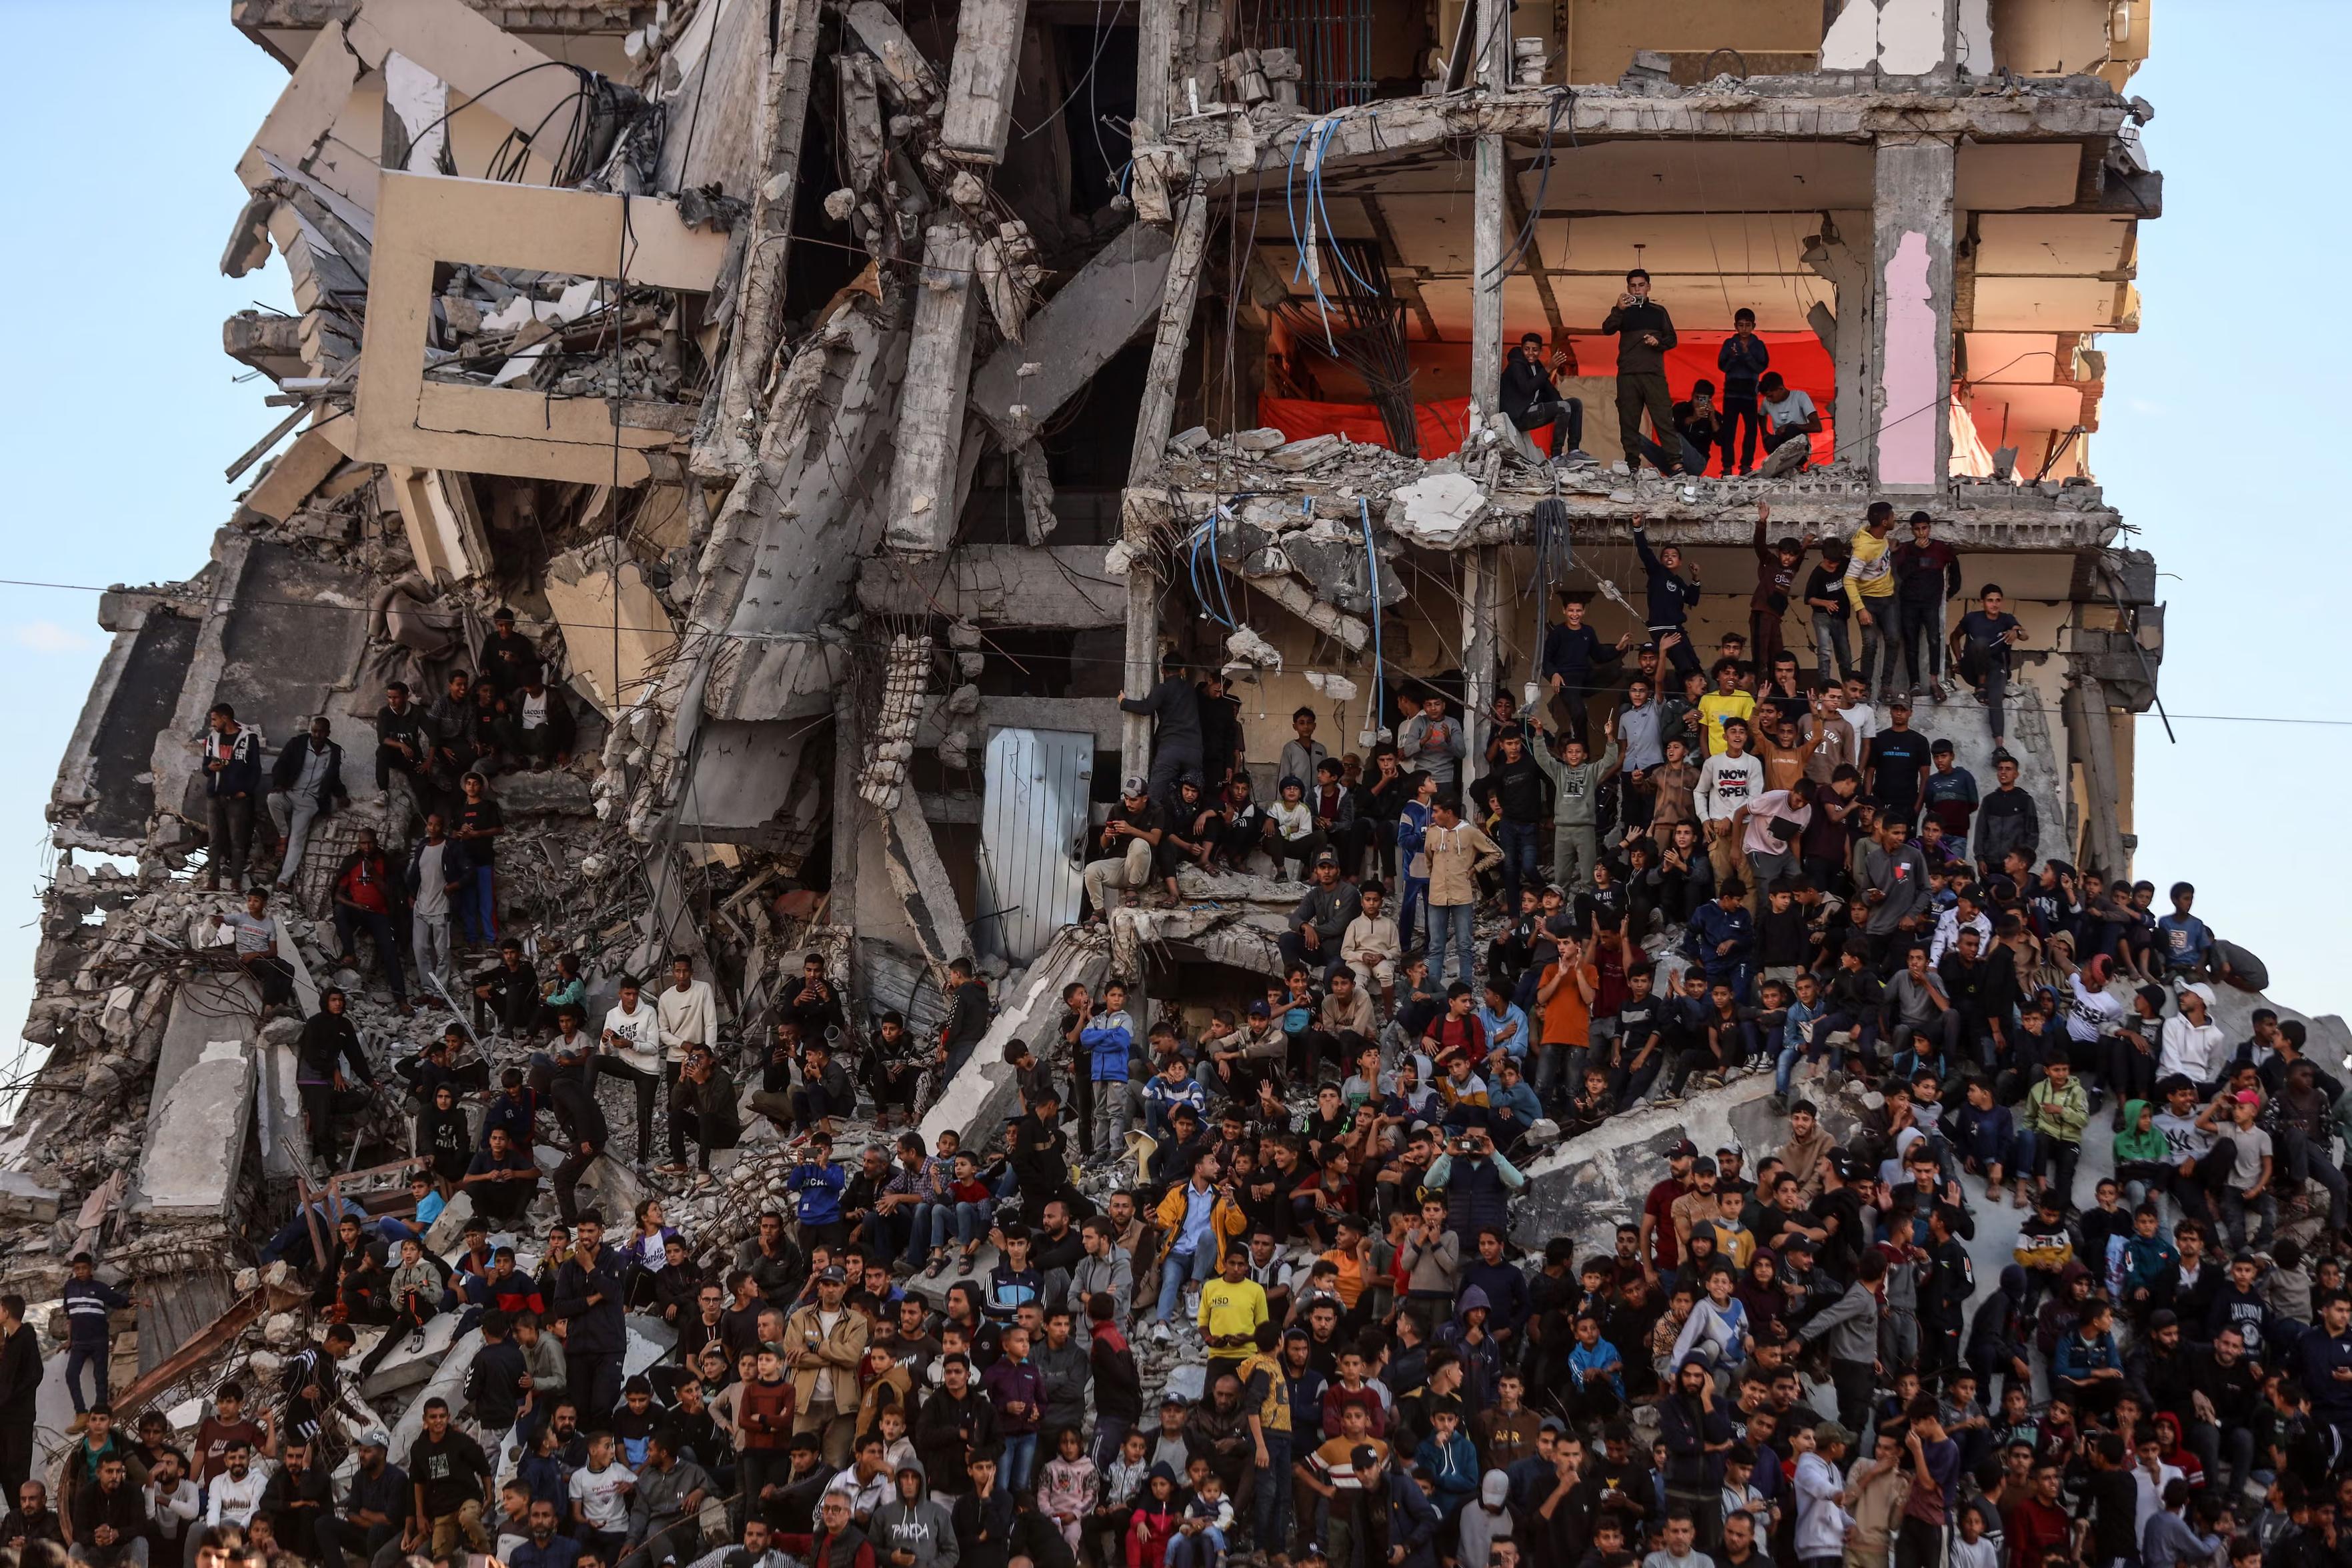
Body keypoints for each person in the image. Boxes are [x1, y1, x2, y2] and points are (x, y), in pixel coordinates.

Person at [1600, 269, 1680, 475]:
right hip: (1627, 374)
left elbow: (1672, 339)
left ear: (1649, 287)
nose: (1637, 289)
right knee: (1628, 421)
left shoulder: (1658, 311)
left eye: (1641, 285)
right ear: (1628, 288)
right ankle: (1632, 464)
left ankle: (1676, 464)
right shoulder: (1622, 311)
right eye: (1633, 286)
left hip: (1653, 374)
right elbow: (1607, 329)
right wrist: (1618, 308)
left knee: (1663, 418)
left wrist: (1658, 342)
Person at [1120, 655, 1205, 813]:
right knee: (1193, 793)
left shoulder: (1163, 689)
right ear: (1182, 670)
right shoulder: (1190, 690)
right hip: (1194, 750)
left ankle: (1149, 832)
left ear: (1162, 670)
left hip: (1170, 750)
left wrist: (1123, 702)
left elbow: (1146, 708)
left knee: (1155, 797)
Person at [1951, 585, 2027, 751]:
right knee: (1980, 643)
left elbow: (2025, 635)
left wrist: (2017, 632)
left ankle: (1999, 746)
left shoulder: (2007, 619)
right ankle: (1981, 686)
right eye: (1990, 600)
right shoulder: (1972, 619)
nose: (1994, 604)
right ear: (1982, 602)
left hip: (1996, 668)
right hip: (1972, 670)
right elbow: (1954, 636)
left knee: (1996, 698)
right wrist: (1959, 660)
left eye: (1998, 600)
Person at [1632, 516, 1704, 684]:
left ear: (1680, 562)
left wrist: (1696, 578)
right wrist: (1637, 528)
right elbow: (1645, 552)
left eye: (1673, 555)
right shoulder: (1657, 573)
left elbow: (1692, 600)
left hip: (1677, 629)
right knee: (1684, 667)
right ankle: (1684, 700)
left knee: (1695, 665)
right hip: (1663, 629)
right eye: (1665, 555)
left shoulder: (1679, 582)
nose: (1669, 557)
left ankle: (1700, 696)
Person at [1085, 777, 1166, 917]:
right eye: (1127, 798)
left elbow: (1155, 840)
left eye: (1133, 800)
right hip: (1119, 864)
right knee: (1091, 870)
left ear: (1145, 798)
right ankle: (1099, 911)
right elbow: (1104, 845)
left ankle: (1131, 888)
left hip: (1141, 870)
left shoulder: (1156, 810)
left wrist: (1131, 830)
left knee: (1139, 844)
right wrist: (1107, 834)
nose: (1128, 803)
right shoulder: (1118, 809)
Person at [1501, 331, 1587, 463]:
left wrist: (1563, 408)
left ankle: (1574, 451)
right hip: (1518, 416)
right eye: (1527, 349)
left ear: (1540, 351)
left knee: (1575, 403)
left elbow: (1549, 391)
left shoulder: (1537, 366)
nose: (1530, 353)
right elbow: (1527, 389)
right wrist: (1549, 369)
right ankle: (1556, 455)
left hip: (1532, 411)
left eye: (1535, 350)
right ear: (1522, 349)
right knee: (1563, 407)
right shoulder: (1516, 365)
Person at [1717, 309, 1771, 475]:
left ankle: (1746, 465)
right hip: (1731, 395)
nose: (1744, 329)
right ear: (1735, 326)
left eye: (1748, 325)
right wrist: (1733, 358)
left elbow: (1760, 367)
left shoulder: (1758, 345)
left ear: (1754, 326)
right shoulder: (1729, 344)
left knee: (1751, 431)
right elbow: (1723, 367)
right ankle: (1727, 466)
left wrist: (1746, 355)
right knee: (1729, 431)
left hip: (1749, 395)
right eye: (1741, 325)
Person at [1754, 373, 1822, 477]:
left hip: (1799, 449)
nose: (1769, 400)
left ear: (1781, 388)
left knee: (1791, 429)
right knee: (1770, 440)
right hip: (1779, 449)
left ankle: (1795, 468)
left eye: (1771, 396)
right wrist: (1764, 434)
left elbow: (1817, 427)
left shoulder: (1800, 397)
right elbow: (1761, 415)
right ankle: (1777, 468)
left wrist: (1791, 426)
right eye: (1767, 397)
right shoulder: (1767, 402)